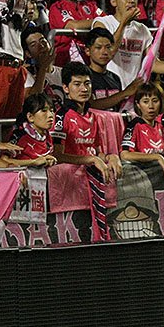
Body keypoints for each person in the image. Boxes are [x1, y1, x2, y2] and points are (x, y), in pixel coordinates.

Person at [52, 61, 123, 241]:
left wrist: (111, 157)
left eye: (87, 83)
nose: (84, 89)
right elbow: (57, 155)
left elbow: (96, 151)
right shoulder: (60, 116)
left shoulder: (93, 116)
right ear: (65, 88)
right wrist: (90, 160)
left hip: (92, 190)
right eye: (77, 84)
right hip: (69, 192)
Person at [120, 82, 164, 178]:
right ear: (138, 104)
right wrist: (157, 157)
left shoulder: (163, 125)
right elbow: (125, 155)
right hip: (141, 178)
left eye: (155, 101)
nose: (151, 106)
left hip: (162, 178)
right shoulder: (135, 125)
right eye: (145, 102)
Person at [86, 28, 143, 111]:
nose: (104, 52)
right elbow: (90, 105)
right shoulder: (84, 77)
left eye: (108, 47)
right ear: (87, 51)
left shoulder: (115, 78)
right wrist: (124, 93)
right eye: (98, 47)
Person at [1, 92, 58, 167]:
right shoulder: (19, 136)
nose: (50, 115)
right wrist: (33, 162)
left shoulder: (47, 136)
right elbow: (4, 160)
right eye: (44, 111)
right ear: (30, 117)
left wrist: (49, 161)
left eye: (52, 111)